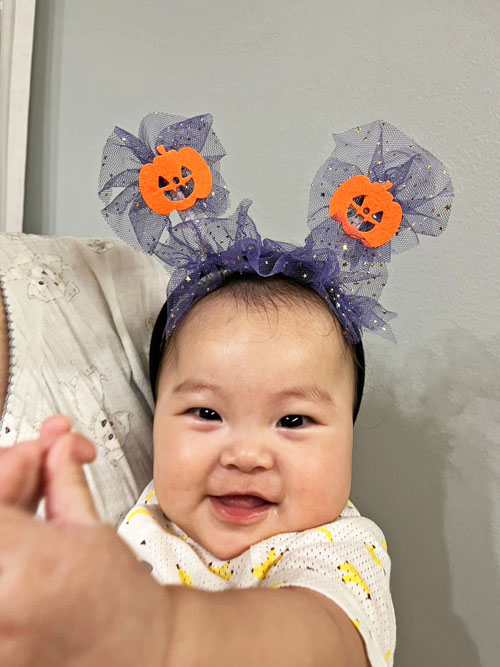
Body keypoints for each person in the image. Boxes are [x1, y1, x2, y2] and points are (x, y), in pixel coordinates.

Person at [0, 115, 453, 666]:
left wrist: (160, 633)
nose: (244, 455)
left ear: (350, 437)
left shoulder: (337, 550)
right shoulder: (148, 521)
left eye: (292, 420)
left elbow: (320, 642)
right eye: (206, 413)